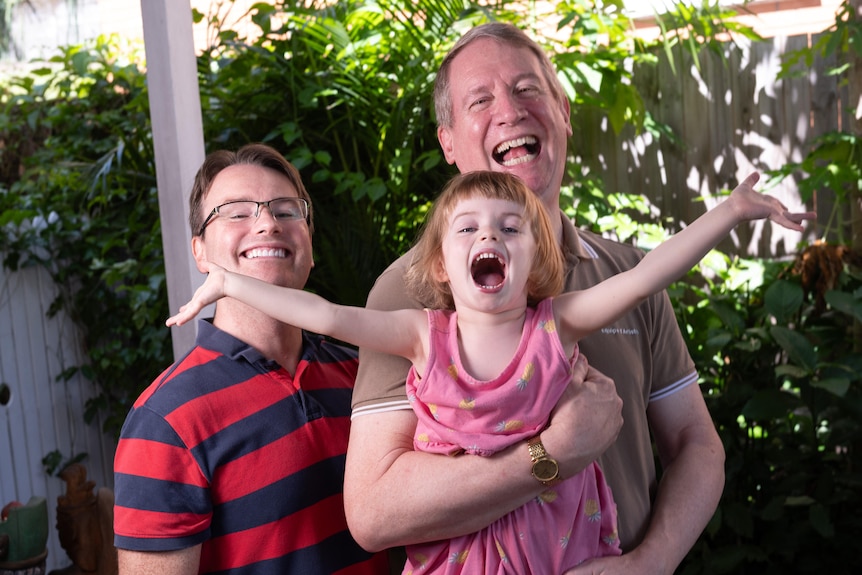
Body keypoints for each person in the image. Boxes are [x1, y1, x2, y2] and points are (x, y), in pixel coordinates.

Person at [166, 170, 813, 573]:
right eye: (468, 227)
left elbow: (648, 273)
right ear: (443, 263)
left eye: (511, 227)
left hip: (569, 550)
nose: (491, 237)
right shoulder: (421, 333)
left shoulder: (556, 324)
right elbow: (324, 312)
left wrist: (731, 211)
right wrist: (231, 284)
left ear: (534, 259)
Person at [343, 22, 809, 575]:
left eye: (526, 88)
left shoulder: (627, 272)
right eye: (481, 99)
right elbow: (374, 512)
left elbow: (697, 447)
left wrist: (649, 565)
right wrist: (550, 457)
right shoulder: (411, 291)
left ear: (563, 111)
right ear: (448, 141)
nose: (510, 110)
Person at [112, 144, 388, 575]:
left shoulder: (363, 373)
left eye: (286, 210)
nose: (267, 223)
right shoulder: (165, 420)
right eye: (237, 212)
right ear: (200, 251)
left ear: (309, 246)